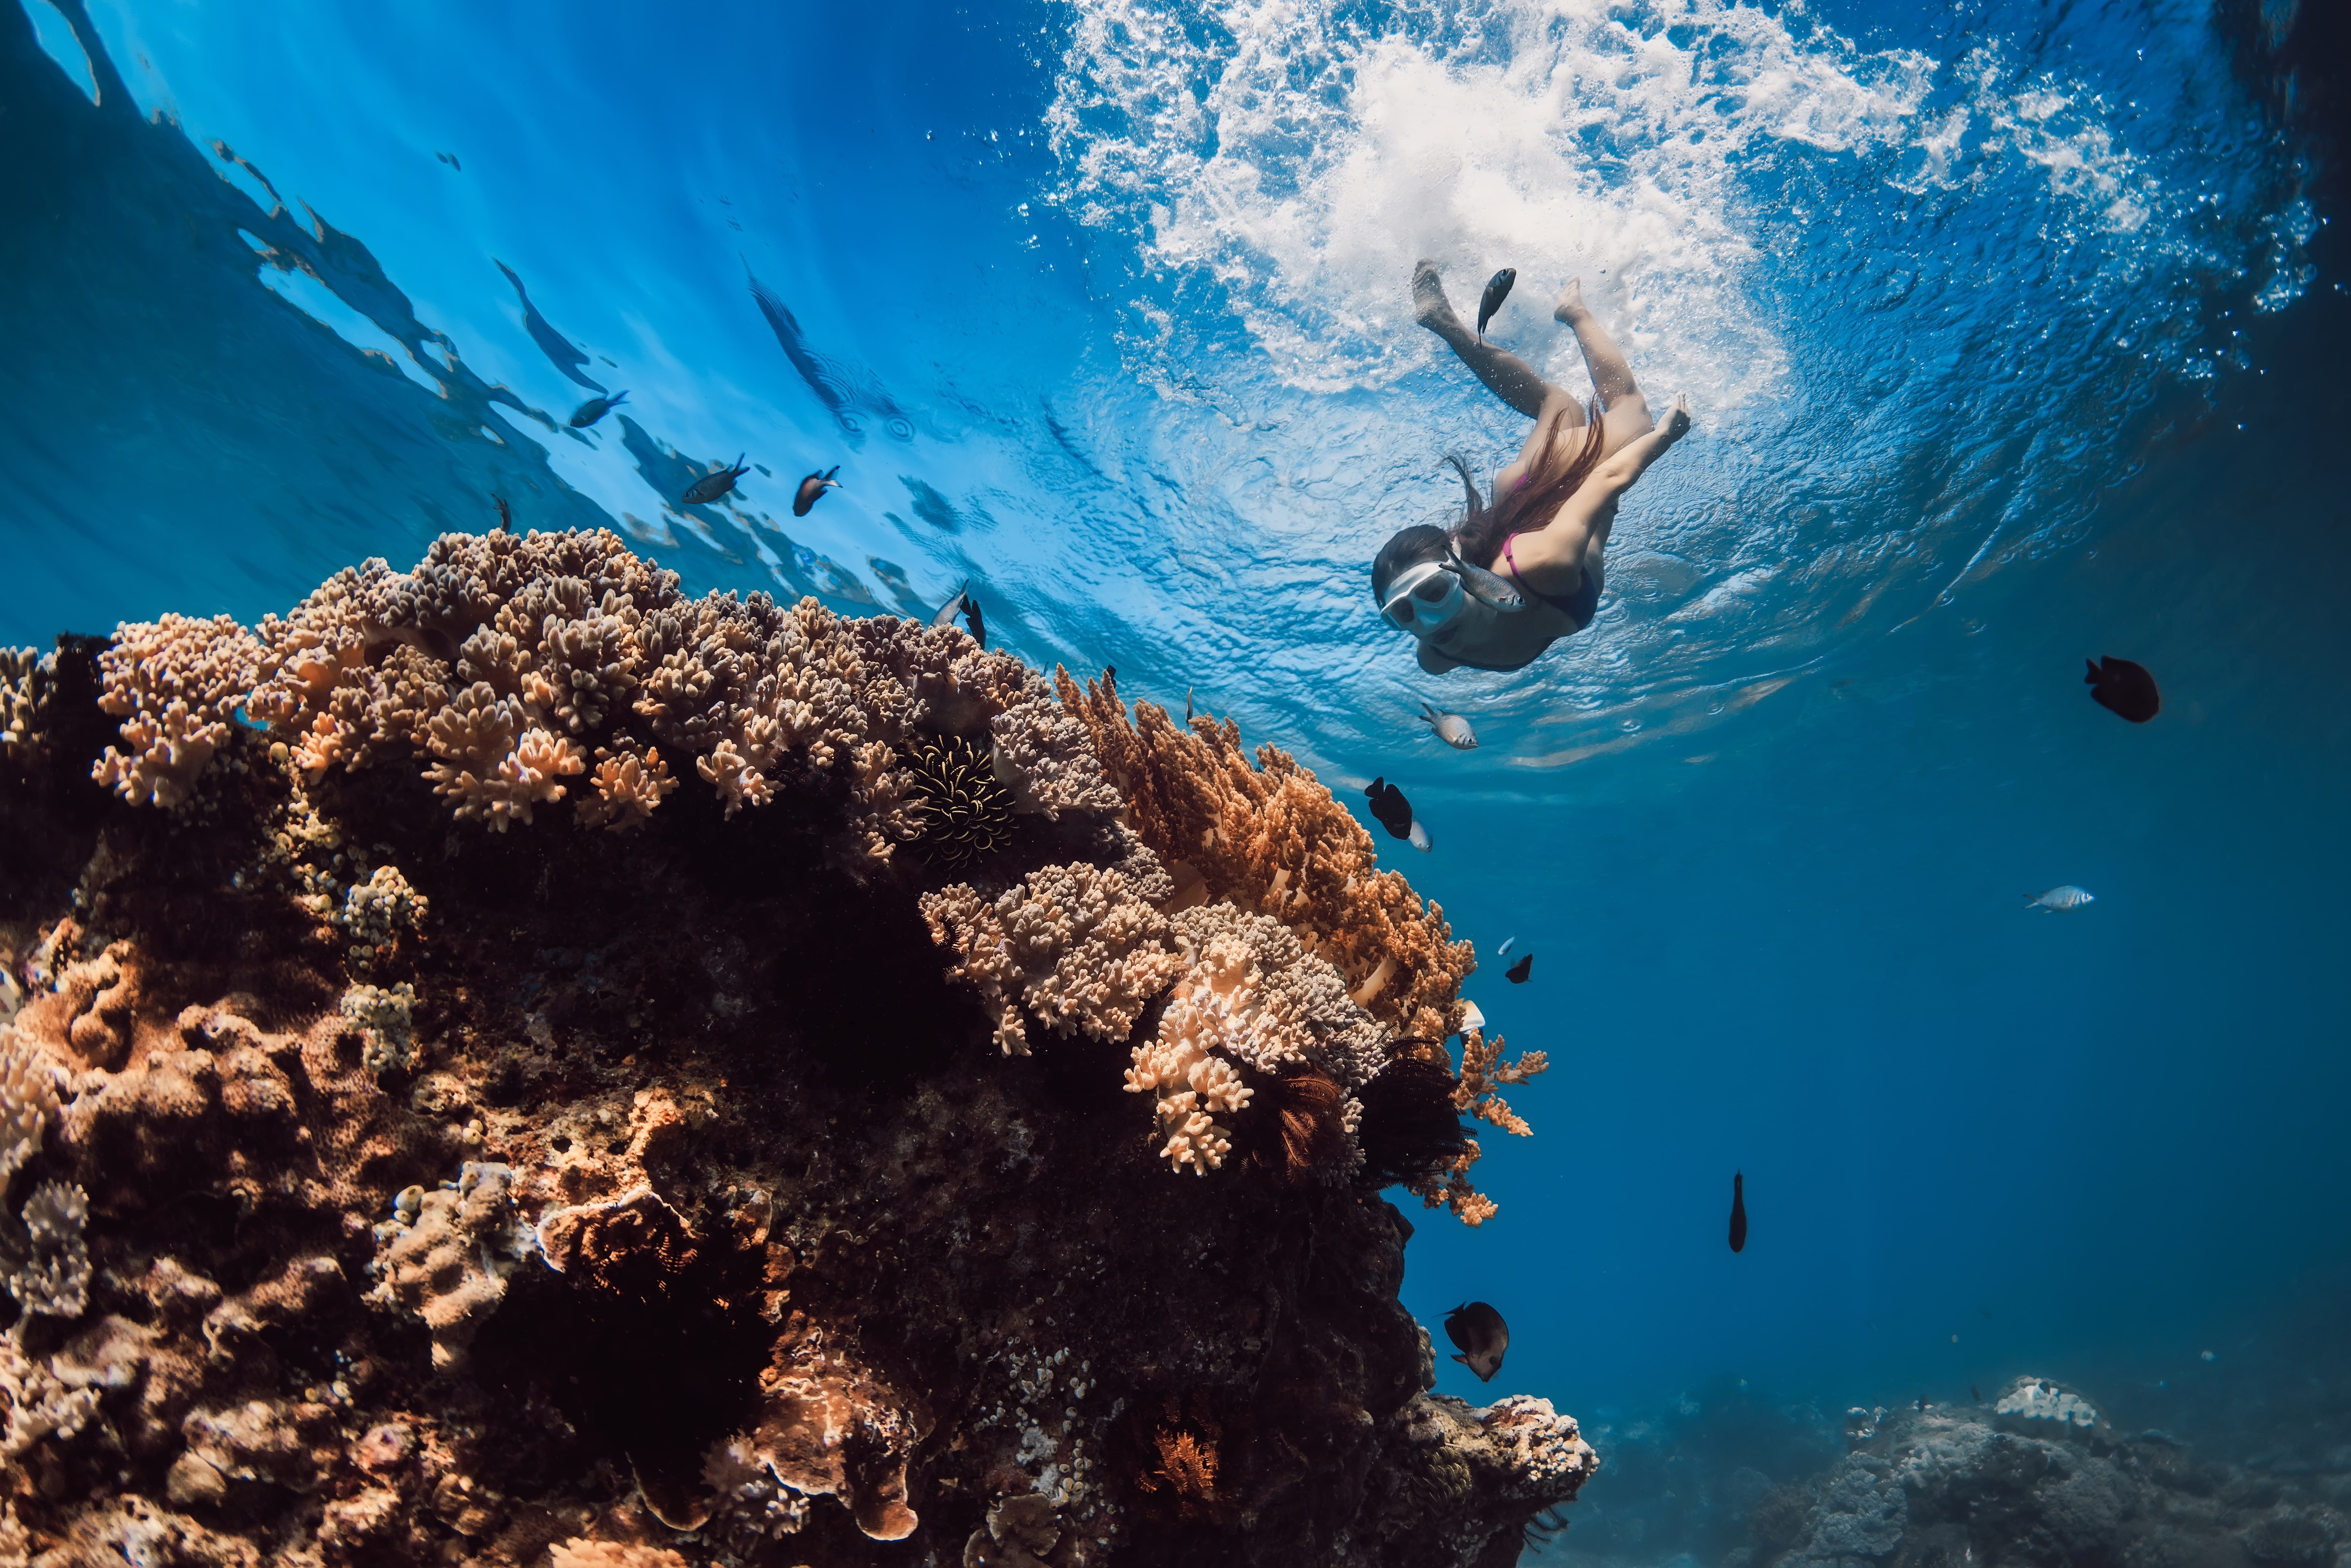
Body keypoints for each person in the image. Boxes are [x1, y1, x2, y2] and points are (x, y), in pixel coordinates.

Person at [1374, 261, 1693, 674]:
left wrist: (1665, 436)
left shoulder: (1543, 563)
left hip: (1540, 489)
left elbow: (1608, 479)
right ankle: (1443, 321)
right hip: (1518, 502)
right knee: (1559, 406)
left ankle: (1574, 311)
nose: (1429, 622)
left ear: (1460, 573)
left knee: (1633, 414)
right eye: (1403, 615)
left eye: (1434, 592)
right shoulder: (1435, 658)